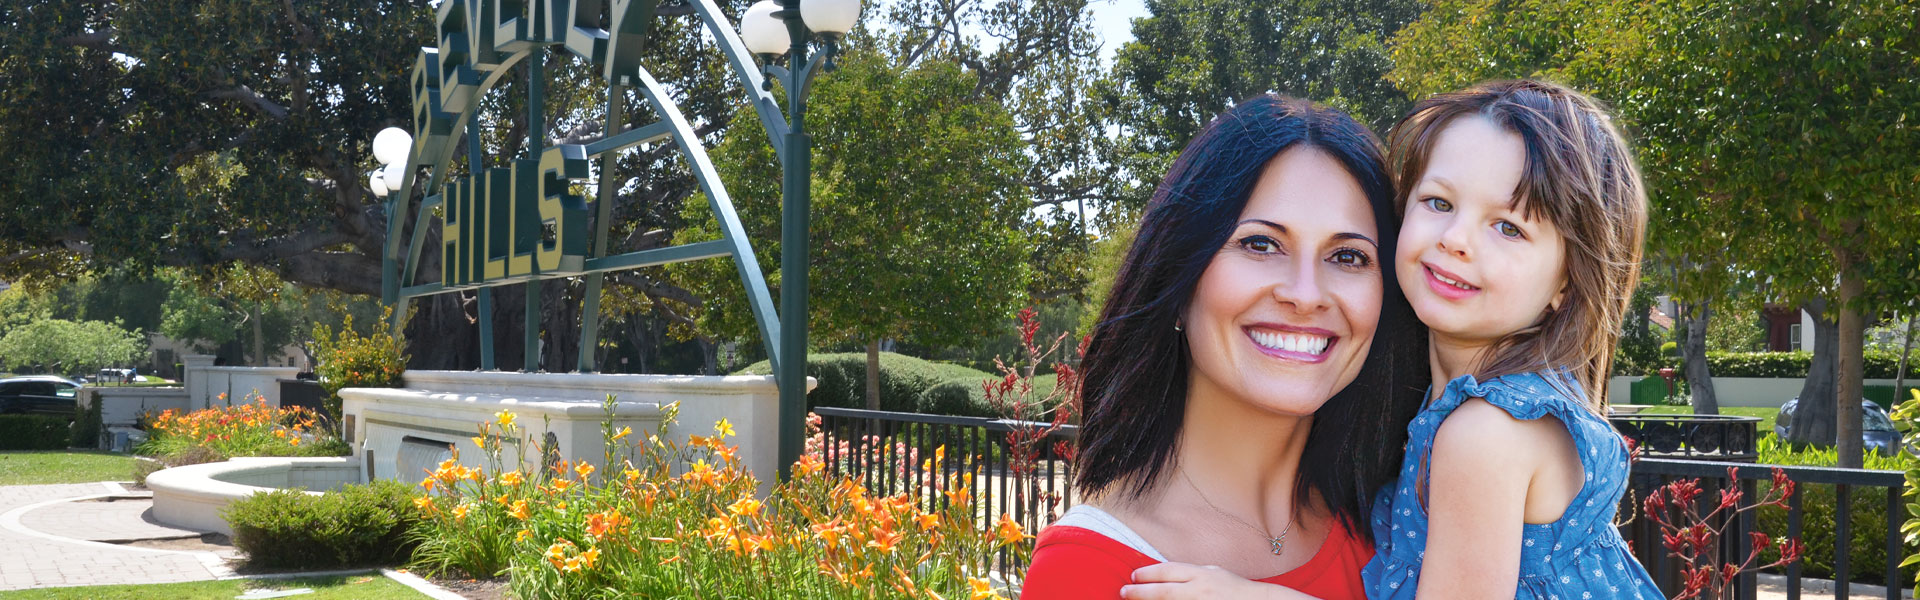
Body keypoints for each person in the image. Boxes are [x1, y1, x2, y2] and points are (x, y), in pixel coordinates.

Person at [1126, 80, 1663, 599]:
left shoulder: (1484, 435)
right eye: (1439, 202)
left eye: (1508, 227)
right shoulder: (1487, 404)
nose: (1455, 240)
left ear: (1567, 282)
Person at [1020, 94, 1428, 599]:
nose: (1304, 295)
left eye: (1347, 256)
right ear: (1178, 277)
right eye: (1260, 244)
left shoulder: (1401, 536)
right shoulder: (1092, 571)